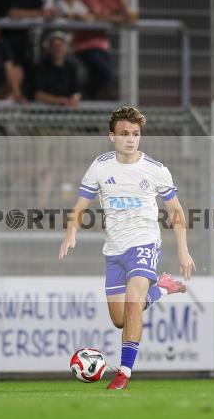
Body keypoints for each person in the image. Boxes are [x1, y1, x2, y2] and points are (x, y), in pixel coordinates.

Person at [59, 106, 195, 390]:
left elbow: (176, 211)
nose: (131, 139)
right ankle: (162, 288)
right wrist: (71, 232)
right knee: (121, 319)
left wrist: (183, 250)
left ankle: (124, 373)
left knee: (134, 303)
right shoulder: (100, 166)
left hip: (145, 242)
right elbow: (81, 205)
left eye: (135, 134)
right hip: (114, 250)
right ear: (112, 136)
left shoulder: (156, 171)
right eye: (124, 134)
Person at [0, 0, 55, 96]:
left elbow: (44, 9)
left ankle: (13, 99)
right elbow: (12, 12)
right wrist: (39, 13)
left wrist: (50, 13)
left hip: (23, 42)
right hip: (7, 41)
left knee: (21, 73)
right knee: (9, 74)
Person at [74, 0, 135, 100]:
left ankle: (89, 100)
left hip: (102, 45)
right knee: (105, 73)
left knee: (107, 75)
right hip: (84, 44)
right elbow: (96, 15)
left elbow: (129, 19)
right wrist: (116, 18)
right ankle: (86, 97)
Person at [34, 31, 81, 107]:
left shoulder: (72, 67)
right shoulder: (41, 67)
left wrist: (75, 98)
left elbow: (76, 90)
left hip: (67, 109)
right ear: (49, 48)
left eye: (61, 45)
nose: (58, 49)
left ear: (66, 48)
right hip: (45, 109)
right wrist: (61, 100)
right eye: (55, 46)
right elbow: (38, 94)